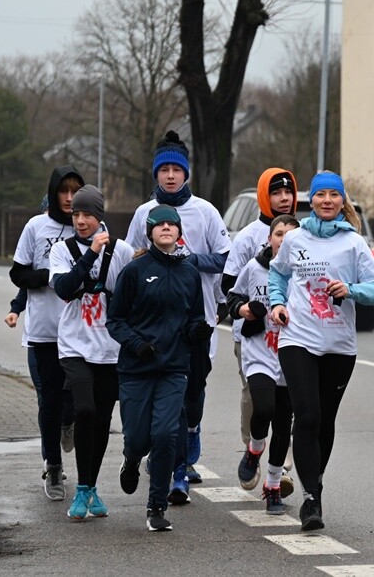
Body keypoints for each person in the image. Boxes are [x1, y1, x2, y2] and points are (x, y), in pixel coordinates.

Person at [268, 171, 374, 531]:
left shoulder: (354, 244)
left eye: (334, 196)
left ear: (342, 202)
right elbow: (278, 275)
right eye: (321, 195)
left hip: (339, 343)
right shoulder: (295, 239)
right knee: (306, 415)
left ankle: (314, 485)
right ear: (312, 200)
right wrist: (276, 303)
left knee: (325, 420)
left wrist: (349, 290)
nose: (327, 201)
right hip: (297, 337)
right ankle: (310, 498)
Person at [125, 131, 231, 500]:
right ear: (155, 174)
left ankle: (190, 434)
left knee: (193, 395)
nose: (170, 176)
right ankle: (177, 468)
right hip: (154, 320)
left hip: (197, 318)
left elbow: (223, 258)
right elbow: (131, 259)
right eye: (164, 170)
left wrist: (188, 260)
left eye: (176, 169)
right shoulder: (143, 213)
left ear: (187, 174)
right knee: (167, 395)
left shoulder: (205, 211)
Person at [108, 204, 213, 532]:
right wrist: (136, 344)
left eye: (172, 224)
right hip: (136, 368)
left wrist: (198, 331)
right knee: (139, 439)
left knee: (167, 434)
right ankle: (131, 456)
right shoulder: (135, 271)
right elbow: (115, 320)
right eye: (159, 224)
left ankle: (156, 506)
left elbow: (196, 316)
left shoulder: (189, 273)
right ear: (150, 232)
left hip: (173, 368)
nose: (166, 228)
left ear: (180, 232)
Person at [50, 186, 135, 521]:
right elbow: (64, 289)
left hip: (111, 348)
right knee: (83, 409)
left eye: (87, 214)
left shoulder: (122, 251)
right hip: (74, 344)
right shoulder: (62, 249)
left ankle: (90, 486)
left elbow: (134, 293)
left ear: (100, 216)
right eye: (76, 215)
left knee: (101, 419)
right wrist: (89, 256)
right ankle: (83, 487)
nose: (81, 221)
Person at [221, 167, 297, 494]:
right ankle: (251, 449)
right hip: (252, 337)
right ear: (265, 196)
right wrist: (247, 310)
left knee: (285, 409)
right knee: (257, 398)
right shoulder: (249, 236)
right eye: (277, 192)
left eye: (288, 192)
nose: (284, 198)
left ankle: (280, 472)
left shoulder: (302, 235)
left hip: (291, 342)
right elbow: (229, 285)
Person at [10, 165, 84, 500]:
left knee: (76, 402)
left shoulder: (90, 227)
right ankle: (52, 466)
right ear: (54, 193)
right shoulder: (36, 226)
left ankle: (67, 424)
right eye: (63, 191)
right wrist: (50, 276)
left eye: (74, 191)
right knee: (49, 400)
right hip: (44, 331)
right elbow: (18, 273)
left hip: (81, 331)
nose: (69, 199)